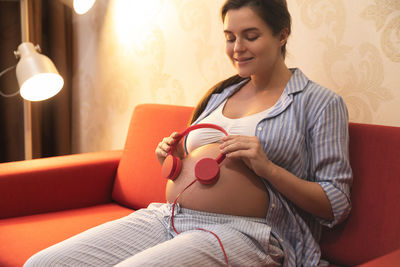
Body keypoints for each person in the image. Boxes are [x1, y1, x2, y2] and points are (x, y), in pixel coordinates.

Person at [24, 0, 352, 266]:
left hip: (253, 234)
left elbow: (336, 206)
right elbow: (198, 166)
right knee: (43, 262)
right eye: (229, 37)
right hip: (171, 217)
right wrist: (176, 158)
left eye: (251, 35)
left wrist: (268, 169)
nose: (237, 48)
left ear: (282, 35)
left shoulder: (319, 103)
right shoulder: (219, 95)